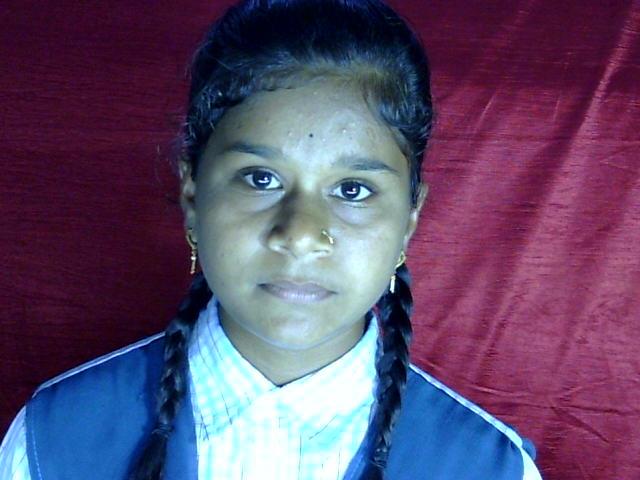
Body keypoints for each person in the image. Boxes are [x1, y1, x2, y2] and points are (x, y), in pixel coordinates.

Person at [0, 0, 542, 478]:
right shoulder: (53, 440)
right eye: (261, 179)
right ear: (193, 195)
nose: (301, 235)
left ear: (410, 217)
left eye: (352, 190)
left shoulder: (491, 467)